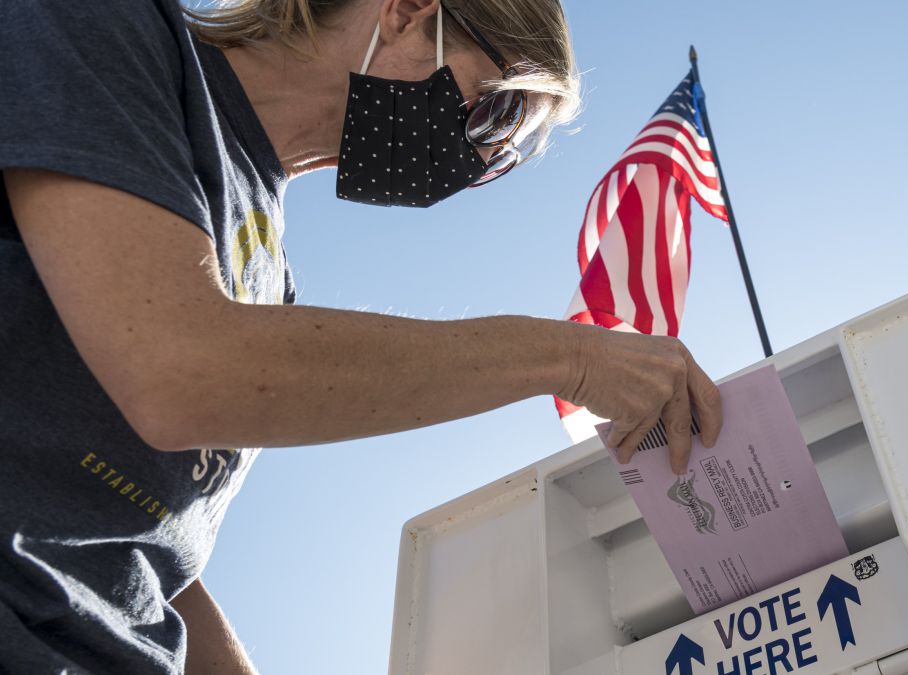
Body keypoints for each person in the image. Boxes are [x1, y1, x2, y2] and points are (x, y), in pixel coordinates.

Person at [0, 0, 724, 672]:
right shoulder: (101, 28)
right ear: (409, 12)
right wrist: (567, 355)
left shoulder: (269, 280)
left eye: (502, 158)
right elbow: (178, 369)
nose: (475, 162)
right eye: (494, 115)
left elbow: (154, 554)